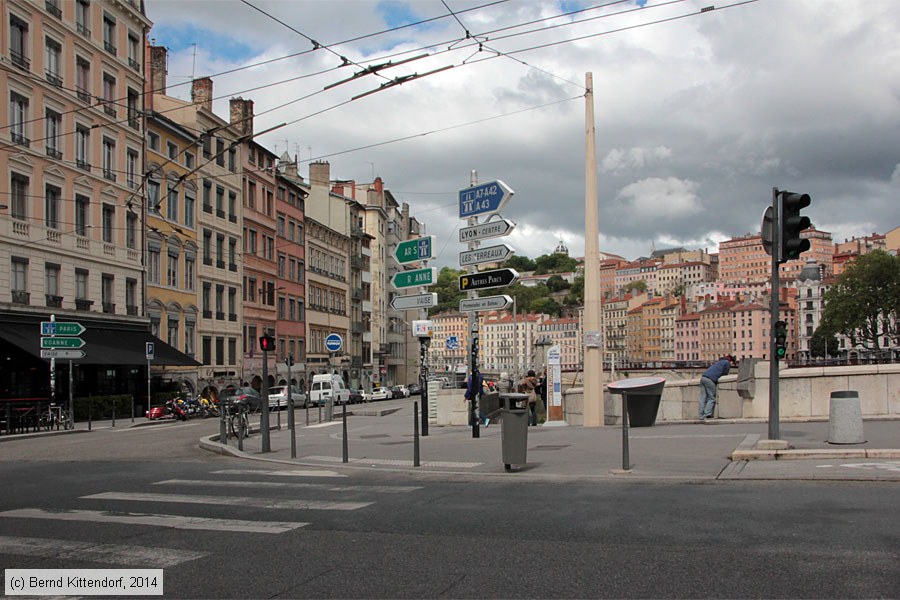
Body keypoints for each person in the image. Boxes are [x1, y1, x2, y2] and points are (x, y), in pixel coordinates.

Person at [698, 355, 735, 420]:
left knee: (703, 397)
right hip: (710, 380)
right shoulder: (726, 362)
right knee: (711, 397)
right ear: (731, 361)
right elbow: (725, 374)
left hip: (703, 377)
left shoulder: (719, 362)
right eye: (732, 364)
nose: (732, 365)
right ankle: (707, 414)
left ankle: (700, 415)